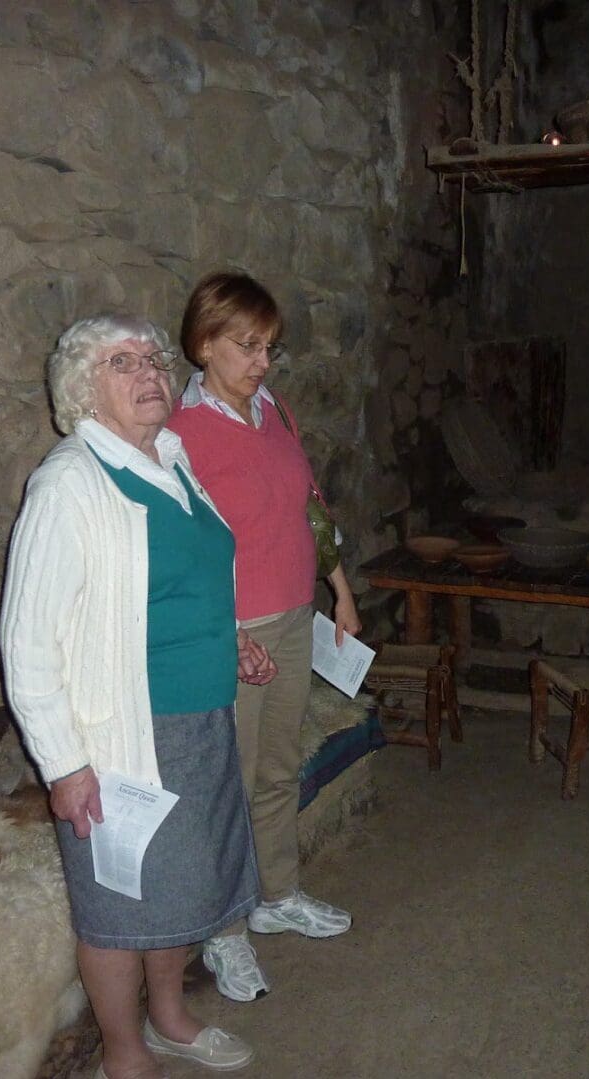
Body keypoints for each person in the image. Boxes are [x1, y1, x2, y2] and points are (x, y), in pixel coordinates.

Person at [0, 314, 276, 1079]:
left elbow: (184, 585)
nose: (149, 372)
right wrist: (64, 765)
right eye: (121, 363)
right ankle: (124, 1052)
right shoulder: (70, 484)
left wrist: (230, 640)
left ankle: (170, 1017)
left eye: (152, 359)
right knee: (119, 905)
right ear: (81, 390)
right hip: (122, 732)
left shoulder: (170, 460)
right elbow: (28, 642)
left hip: (201, 719)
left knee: (181, 887)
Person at [167, 271, 363, 1003]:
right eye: (247, 347)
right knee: (229, 783)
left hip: (291, 617)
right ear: (204, 344)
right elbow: (181, 553)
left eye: (269, 347)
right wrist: (224, 635)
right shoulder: (179, 436)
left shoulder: (273, 409)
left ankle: (277, 894)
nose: (262, 362)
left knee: (278, 768)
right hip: (235, 629)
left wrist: (340, 592)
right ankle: (224, 932)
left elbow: (310, 506)